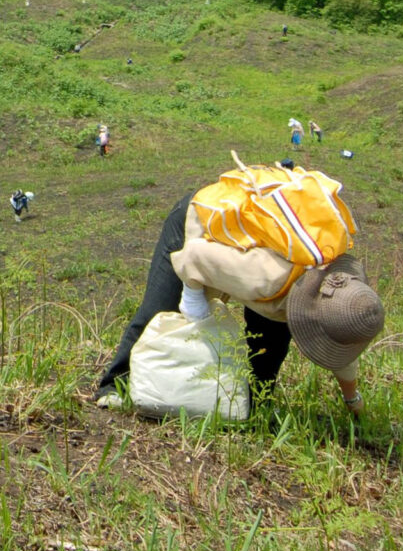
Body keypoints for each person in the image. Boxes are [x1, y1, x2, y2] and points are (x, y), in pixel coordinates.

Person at [96, 173, 384, 414]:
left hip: (263, 247)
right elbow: (196, 257)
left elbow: (341, 338)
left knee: (269, 348)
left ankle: (250, 408)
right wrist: (194, 302)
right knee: (162, 311)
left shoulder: (342, 294)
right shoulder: (267, 278)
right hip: (206, 223)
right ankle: (114, 384)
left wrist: (352, 399)